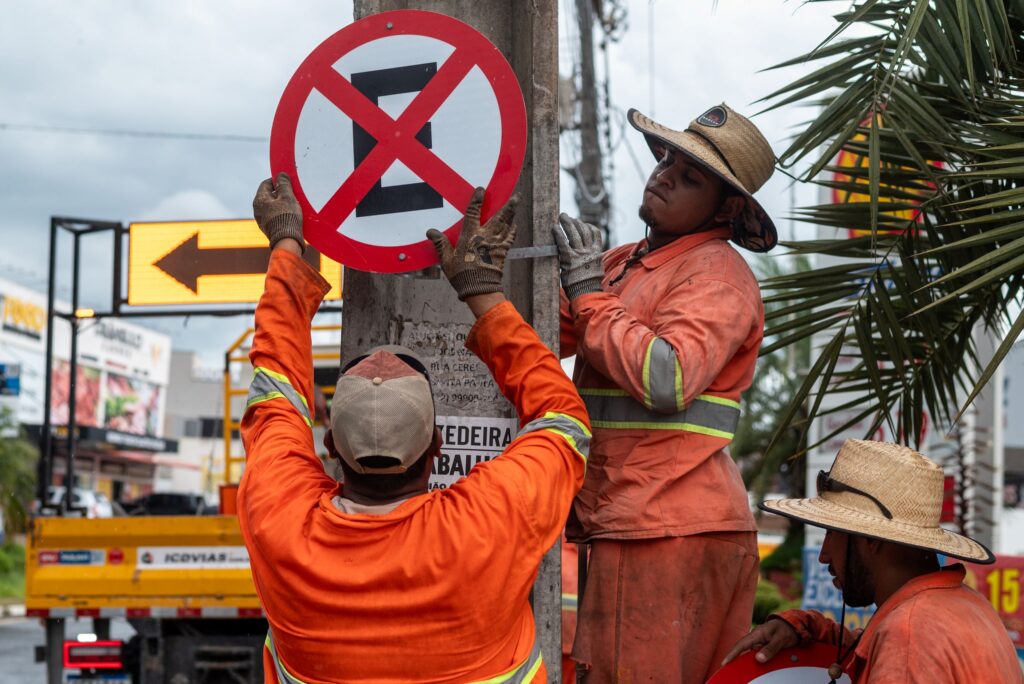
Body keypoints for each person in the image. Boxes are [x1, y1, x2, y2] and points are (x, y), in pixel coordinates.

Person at [238, 173, 591, 682]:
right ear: (438, 448)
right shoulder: (483, 525)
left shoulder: (281, 522)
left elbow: (275, 393)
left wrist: (288, 244)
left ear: (333, 445)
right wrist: (483, 294)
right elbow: (564, 420)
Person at [552, 104, 777, 682]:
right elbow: (544, 331)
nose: (664, 175)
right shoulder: (626, 264)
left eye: (690, 176)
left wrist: (587, 294)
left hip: (668, 525)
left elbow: (666, 377)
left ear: (727, 209)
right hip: (642, 518)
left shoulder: (716, 275)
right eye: (669, 160)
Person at [723, 439, 1023, 683]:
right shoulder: (964, 605)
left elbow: (901, 654)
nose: (824, 554)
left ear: (872, 540)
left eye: (832, 533)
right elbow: (868, 649)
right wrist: (805, 628)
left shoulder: (908, 638)